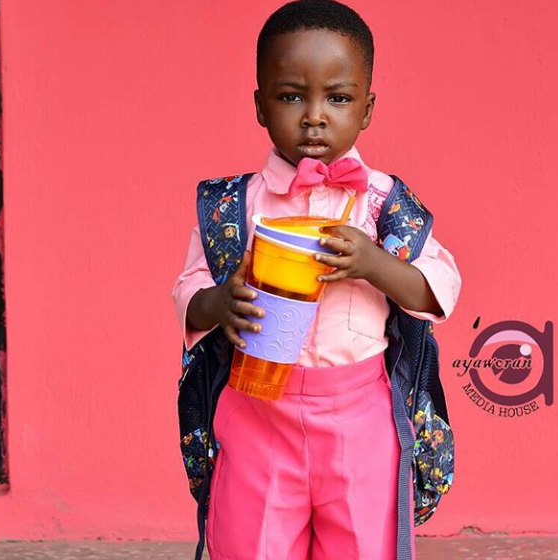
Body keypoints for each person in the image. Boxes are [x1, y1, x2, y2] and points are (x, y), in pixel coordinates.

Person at [172, 1, 462, 558]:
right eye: (289, 97)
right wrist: (218, 303)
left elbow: (439, 286)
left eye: (338, 97)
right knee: (250, 544)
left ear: (367, 108)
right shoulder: (234, 204)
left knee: (362, 545)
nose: (313, 116)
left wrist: (375, 262)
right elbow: (188, 291)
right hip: (257, 413)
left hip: (360, 420)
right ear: (259, 105)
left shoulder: (382, 202)